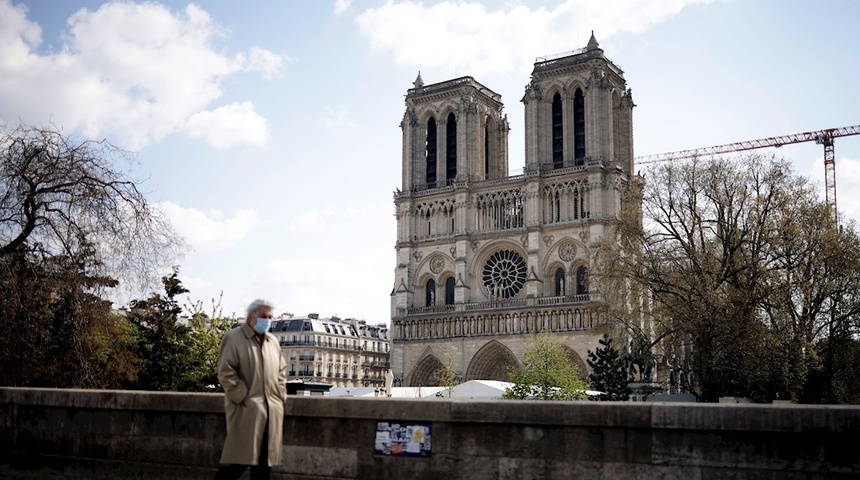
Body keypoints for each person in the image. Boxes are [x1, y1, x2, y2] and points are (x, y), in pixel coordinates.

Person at [214, 299, 287, 480]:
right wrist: (244, 397)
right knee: (236, 464)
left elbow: (281, 371)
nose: (268, 321)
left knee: (264, 465)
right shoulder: (234, 338)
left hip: (271, 411)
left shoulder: (273, 342)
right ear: (251, 317)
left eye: (270, 317)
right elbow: (226, 372)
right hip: (246, 412)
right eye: (264, 317)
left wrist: (279, 397)